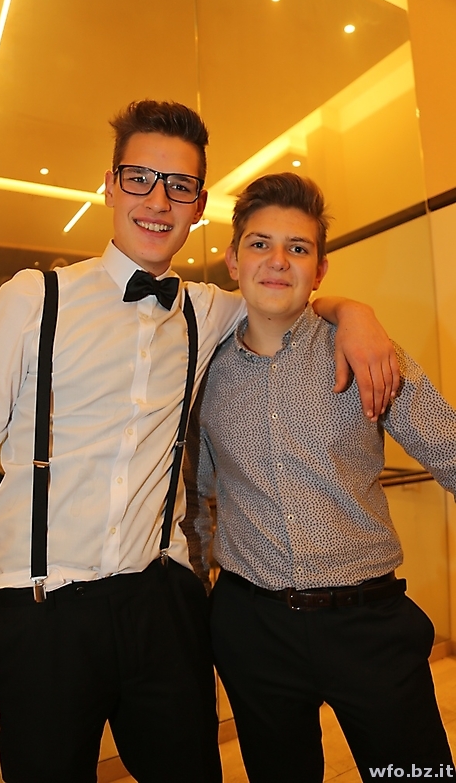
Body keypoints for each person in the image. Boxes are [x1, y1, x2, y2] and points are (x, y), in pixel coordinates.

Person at [0, 102, 398, 783]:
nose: (157, 200)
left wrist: (356, 313)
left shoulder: (208, 309)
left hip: (163, 606)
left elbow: (284, 287)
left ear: (199, 206)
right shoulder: (34, 299)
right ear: (110, 186)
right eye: (139, 178)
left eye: (179, 185)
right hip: (41, 612)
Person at [183, 172, 456, 783]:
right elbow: (195, 501)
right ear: (233, 260)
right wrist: (200, 607)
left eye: (298, 248)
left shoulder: (365, 349)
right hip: (253, 628)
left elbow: (450, 450)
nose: (278, 261)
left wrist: (355, 313)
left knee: (416, 775)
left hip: (369, 624)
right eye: (260, 244)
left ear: (320, 269)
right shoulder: (206, 373)